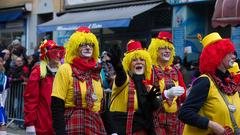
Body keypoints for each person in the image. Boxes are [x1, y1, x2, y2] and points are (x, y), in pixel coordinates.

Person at [178, 32, 240, 135]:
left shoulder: (230, 81)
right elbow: (184, 113)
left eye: (232, 52)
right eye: (228, 52)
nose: (233, 56)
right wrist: (211, 125)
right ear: (217, 55)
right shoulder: (205, 81)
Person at [51, 26, 107, 135]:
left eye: (91, 44)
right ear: (75, 47)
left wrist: (113, 131)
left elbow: (103, 106)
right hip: (73, 124)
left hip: (95, 124)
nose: (88, 47)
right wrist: (60, 132)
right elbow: (56, 104)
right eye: (83, 44)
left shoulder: (96, 71)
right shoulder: (65, 69)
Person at [109, 40, 161, 135]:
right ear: (128, 64)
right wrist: (118, 66)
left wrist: (153, 101)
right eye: (134, 60)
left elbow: (156, 110)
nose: (139, 62)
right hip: (124, 131)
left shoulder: (148, 87)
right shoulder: (125, 81)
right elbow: (121, 75)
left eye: (142, 60)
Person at [148, 32, 186, 135]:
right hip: (157, 120)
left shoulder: (175, 71)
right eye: (163, 48)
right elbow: (147, 93)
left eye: (169, 48)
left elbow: (183, 96)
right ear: (155, 50)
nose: (167, 51)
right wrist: (166, 94)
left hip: (175, 120)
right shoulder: (150, 70)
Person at [24, 40, 65, 135]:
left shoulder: (63, 72)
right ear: (47, 55)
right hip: (42, 123)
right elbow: (31, 100)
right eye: (55, 53)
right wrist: (30, 124)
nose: (58, 55)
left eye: (59, 52)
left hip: (60, 122)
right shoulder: (38, 73)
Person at [0, 52, 10, 135]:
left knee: (2, 124)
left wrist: (2, 105)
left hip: (0, 105)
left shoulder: (5, 78)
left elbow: (4, 94)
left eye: (0, 61)